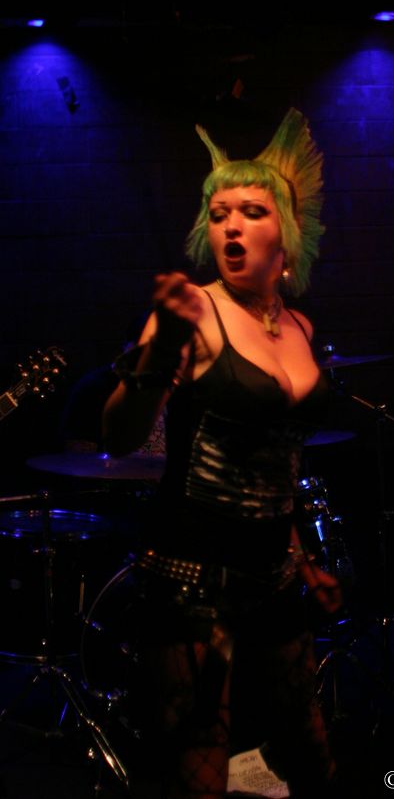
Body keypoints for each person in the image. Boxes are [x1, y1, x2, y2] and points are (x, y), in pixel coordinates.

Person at [103, 109, 341, 799]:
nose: (231, 226)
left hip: (272, 573)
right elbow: (118, 436)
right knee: (201, 758)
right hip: (191, 578)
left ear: (285, 231)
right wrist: (161, 351)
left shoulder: (301, 326)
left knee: (310, 748)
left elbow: (277, 463)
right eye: (218, 214)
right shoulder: (192, 312)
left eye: (252, 212)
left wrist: (302, 557)